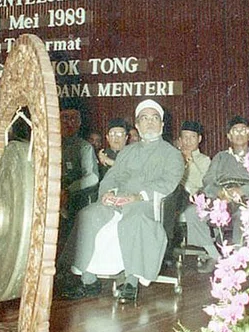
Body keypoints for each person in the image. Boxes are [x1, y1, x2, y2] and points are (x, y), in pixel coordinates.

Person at [62, 99, 184, 304]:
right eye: (144, 119)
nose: (150, 123)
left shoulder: (172, 154)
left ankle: (131, 281)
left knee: (134, 220)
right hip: (118, 201)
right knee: (88, 215)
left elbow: (168, 183)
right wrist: (108, 193)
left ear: (162, 125)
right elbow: (112, 177)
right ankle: (88, 279)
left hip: (147, 204)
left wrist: (137, 197)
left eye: (155, 119)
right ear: (137, 125)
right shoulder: (127, 152)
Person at [200, 115, 249, 243]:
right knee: (193, 213)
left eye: (243, 130)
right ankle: (212, 253)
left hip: (247, 198)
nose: (239, 134)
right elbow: (208, 181)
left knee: (241, 215)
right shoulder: (220, 157)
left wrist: (241, 191)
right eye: (235, 130)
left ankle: (239, 255)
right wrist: (219, 192)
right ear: (229, 136)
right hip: (222, 199)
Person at [177, 121, 217, 272]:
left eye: (192, 137)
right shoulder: (173, 158)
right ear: (179, 140)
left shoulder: (205, 160)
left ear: (199, 139)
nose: (187, 141)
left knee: (193, 212)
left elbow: (204, 183)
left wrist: (190, 162)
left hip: (196, 199)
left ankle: (214, 255)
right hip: (176, 198)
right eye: (184, 137)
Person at [59, 107, 100, 238]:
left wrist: (69, 190)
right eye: (65, 118)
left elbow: (93, 177)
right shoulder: (47, 143)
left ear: (79, 123)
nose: (69, 123)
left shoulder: (85, 147)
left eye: (73, 119)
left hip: (75, 201)